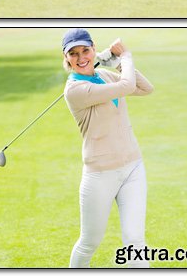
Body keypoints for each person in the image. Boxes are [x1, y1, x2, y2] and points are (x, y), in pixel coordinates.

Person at [62, 28, 154, 269]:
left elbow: (145, 88)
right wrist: (125, 56)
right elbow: (126, 87)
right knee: (89, 242)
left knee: (135, 240)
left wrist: (117, 65)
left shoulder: (104, 75)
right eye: (73, 53)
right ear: (66, 59)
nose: (81, 57)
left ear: (94, 50)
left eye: (85, 50)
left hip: (133, 167)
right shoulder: (75, 91)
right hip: (100, 175)